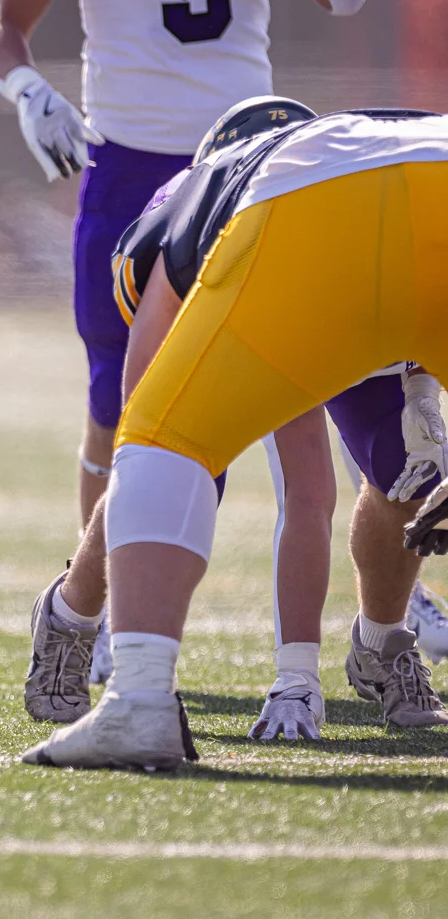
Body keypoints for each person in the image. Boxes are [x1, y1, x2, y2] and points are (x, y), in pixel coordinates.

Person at [23, 104, 448, 770]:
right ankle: (74, 612)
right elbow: (305, 489)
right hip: (375, 210)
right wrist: (296, 676)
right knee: (179, 454)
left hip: (327, 222)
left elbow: (148, 443)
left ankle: (142, 692)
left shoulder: (208, 196)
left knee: (173, 448)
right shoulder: (233, 197)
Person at [0, 0, 364, 526]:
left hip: (245, 161)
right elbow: (4, 26)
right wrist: (28, 89)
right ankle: (96, 607)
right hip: (128, 162)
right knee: (115, 400)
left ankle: (389, 589)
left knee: (304, 384)